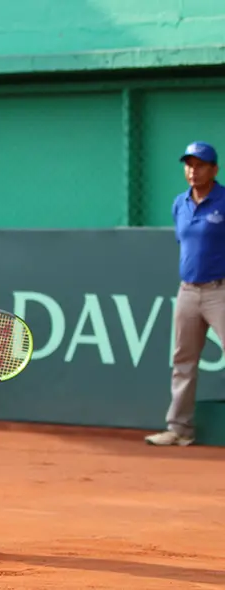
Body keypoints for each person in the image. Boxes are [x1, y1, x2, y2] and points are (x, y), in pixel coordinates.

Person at [146, 141, 224, 447]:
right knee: (183, 361)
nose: (193, 171)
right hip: (188, 291)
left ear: (214, 169)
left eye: (200, 165)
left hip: (221, 291)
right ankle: (179, 429)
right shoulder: (179, 203)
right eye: (189, 165)